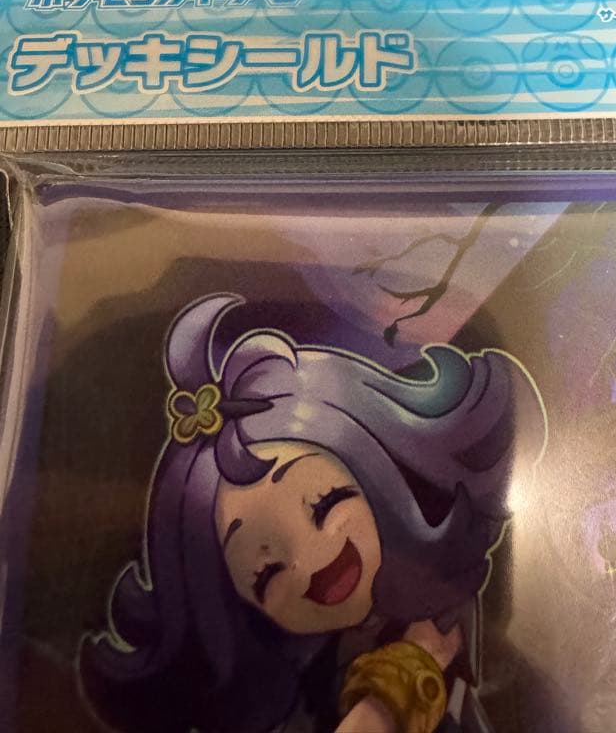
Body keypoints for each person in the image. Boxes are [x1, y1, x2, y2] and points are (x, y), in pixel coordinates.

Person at [80, 293, 546, 732]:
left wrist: (400, 683)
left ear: (375, 477)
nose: (307, 562)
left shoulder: (431, 611)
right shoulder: (308, 671)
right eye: (266, 572)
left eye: (324, 503)